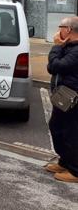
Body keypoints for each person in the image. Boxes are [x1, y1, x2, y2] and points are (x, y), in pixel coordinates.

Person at [45, 16, 78, 183]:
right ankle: (64, 162)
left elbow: (57, 66)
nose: (58, 30)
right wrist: (59, 48)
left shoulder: (76, 50)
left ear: (69, 30)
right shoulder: (69, 46)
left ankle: (75, 171)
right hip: (63, 96)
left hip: (72, 97)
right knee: (57, 127)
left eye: (61, 27)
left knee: (71, 132)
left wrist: (57, 46)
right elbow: (51, 66)